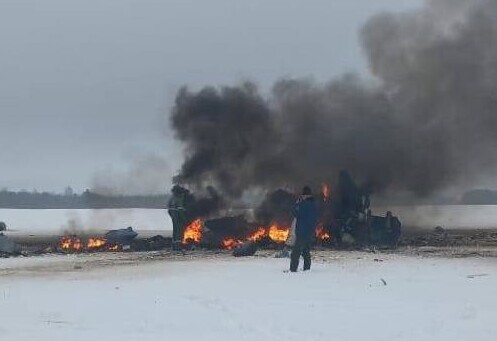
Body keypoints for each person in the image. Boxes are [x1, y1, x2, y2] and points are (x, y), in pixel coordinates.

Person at [289, 186, 318, 272]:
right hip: (310, 232)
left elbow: (295, 213)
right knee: (306, 252)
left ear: (305, 195)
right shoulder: (314, 204)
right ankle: (307, 269)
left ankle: (293, 270)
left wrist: (297, 203)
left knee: (295, 253)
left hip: (302, 232)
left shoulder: (303, 204)